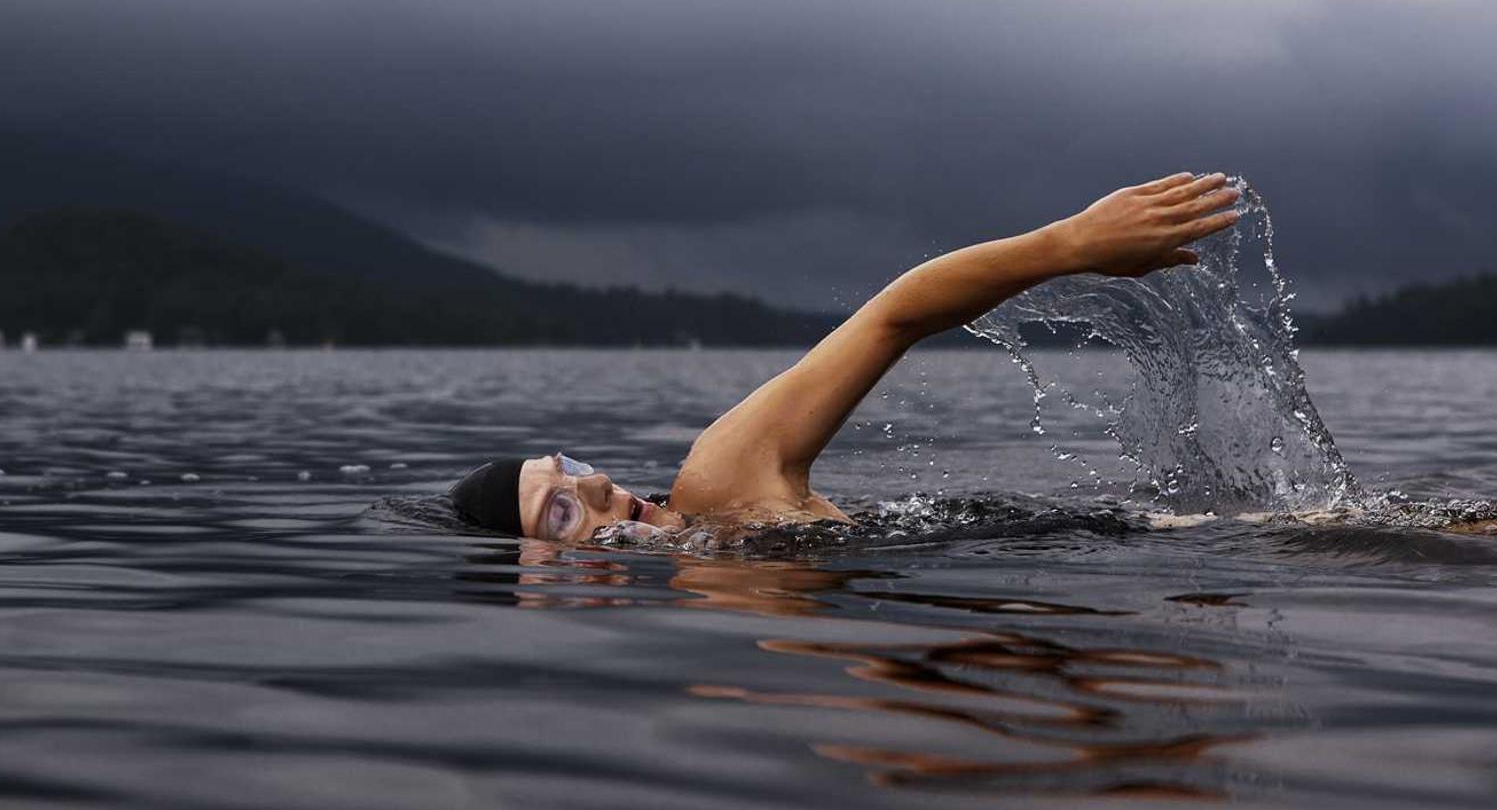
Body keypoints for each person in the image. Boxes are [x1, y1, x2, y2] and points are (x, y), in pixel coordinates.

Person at [449, 172, 1242, 541]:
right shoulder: (713, 618)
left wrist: (1068, 245)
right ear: (537, 584)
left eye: (570, 466)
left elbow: (892, 317)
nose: (594, 482)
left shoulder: (720, 485)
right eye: (560, 510)